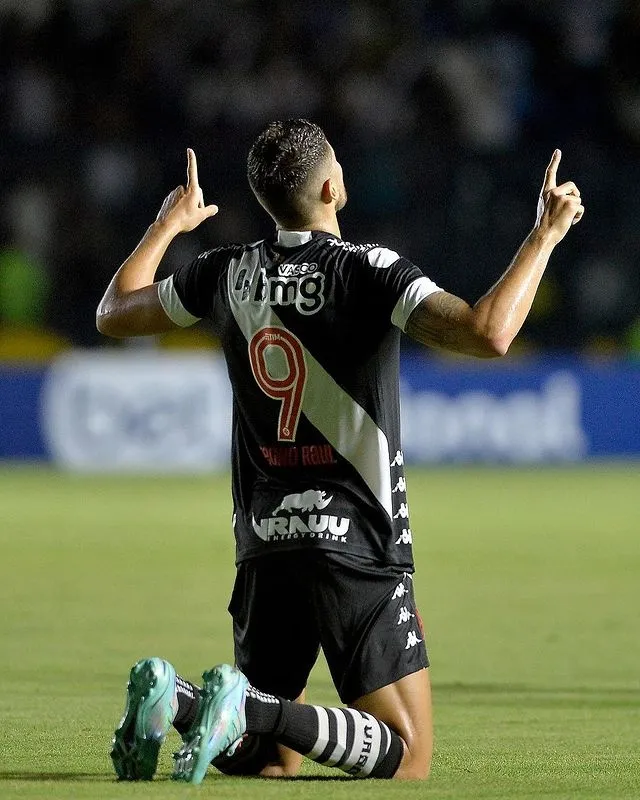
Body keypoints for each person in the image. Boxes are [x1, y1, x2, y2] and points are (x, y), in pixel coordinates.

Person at [97, 119, 583, 784]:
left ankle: (176, 700)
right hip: (354, 540)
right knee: (407, 758)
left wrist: (168, 226)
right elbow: (489, 332)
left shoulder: (224, 272)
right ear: (334, 188)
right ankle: (240, 706)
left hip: (265, 540)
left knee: (271, 758)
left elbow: (115, 311)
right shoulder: (369, 270)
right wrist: (543, 235)